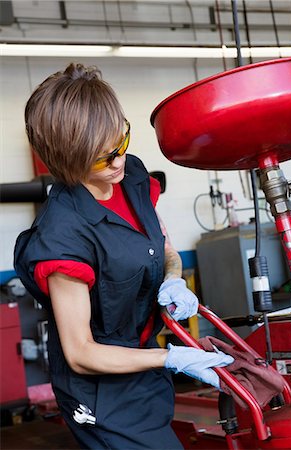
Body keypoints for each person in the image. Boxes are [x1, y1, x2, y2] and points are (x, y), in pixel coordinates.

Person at [14, 63, 233, 450]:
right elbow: (81, 353)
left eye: (122, 143)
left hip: (144, 366)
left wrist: (173, 278)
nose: (117, 162)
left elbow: (164, 247)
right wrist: (169, 359)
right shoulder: (64, 236)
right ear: (68, 159)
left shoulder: (130, 176)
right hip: (100, 392)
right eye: (102, 158)